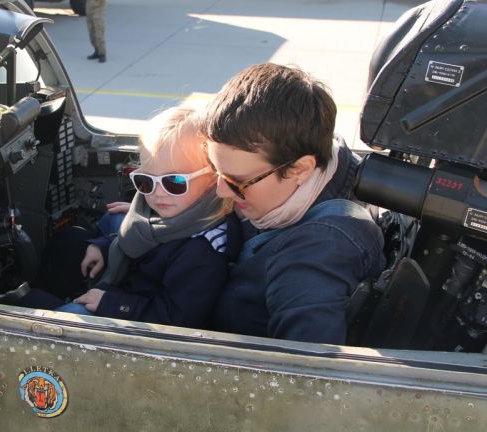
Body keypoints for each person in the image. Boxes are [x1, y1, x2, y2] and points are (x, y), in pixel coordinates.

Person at [202, 63, 386, 344]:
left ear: (300, 169)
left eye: (237, 182)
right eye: (212, 166)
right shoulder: (324, 159)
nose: (220, 190)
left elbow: (305, 364)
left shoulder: (316, 255)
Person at [52, 106, 234, 328]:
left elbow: (177, 319)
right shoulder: (172, 207)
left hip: (143, 318)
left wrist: (113, 304)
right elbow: (139, 239)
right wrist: (104, 246)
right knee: (69, 239)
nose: (158, 193)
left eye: (174, 181)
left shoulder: (203, 254)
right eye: (146, 180)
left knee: (71, 316)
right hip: (129, 284)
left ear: (211, 177)